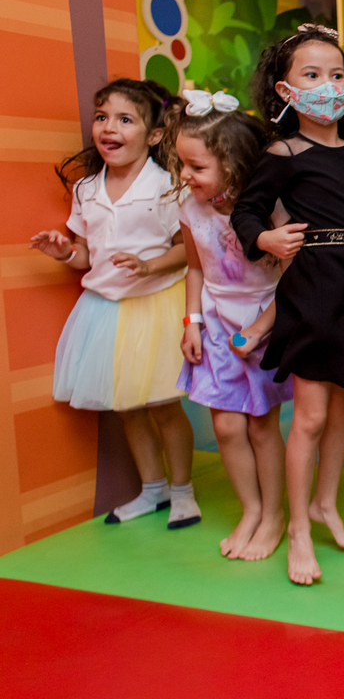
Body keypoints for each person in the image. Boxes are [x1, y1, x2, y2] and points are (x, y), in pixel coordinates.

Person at [231, 24, 344, 584]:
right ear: (286, 91)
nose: (327, 86)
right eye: (312, 76)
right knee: (310, 414)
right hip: (311, 289)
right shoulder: (283, 152)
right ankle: (297, 531)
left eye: (335, 76)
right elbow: (247, 212)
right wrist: (267, 240)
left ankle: (324, 503)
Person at [31, 78, 199, 529]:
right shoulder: (87, 189)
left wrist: (150, 267)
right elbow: (87, 254)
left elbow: (191, 249)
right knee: (126, 406)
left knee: (163, 404)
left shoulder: (169, 186)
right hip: (105, 309)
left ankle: (184, 492)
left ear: (155, 134)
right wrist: (64, 252)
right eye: (102, 117)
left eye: (125, 120)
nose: (109, 128)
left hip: (156, 305)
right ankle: (152, 490)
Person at [166, 89, 292, 561]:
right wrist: (192, 322)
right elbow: (196, 268)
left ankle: (274, 516)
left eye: (196, 167)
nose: (185, 175)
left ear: (235, 165)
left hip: (262, 321)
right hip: (217, 323)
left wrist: (260, 329)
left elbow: (291, 278)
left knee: (262, 427)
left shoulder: (269, 210)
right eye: (183, 164)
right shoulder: (190, 210)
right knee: (226, 429)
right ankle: (251, 510)